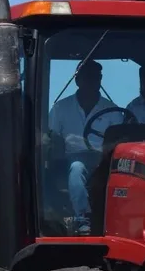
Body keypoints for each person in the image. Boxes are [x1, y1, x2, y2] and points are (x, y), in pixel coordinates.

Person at [47, 60, 125, 233]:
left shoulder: (111, 109)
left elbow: (119, 139)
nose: (92, 82)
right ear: (78, 80)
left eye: (96, 78)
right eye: (88, 77)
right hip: (73, 157)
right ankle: (83, 219)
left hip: (103, 159)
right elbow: (49, 136)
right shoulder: (61, 108)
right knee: (76, 169)